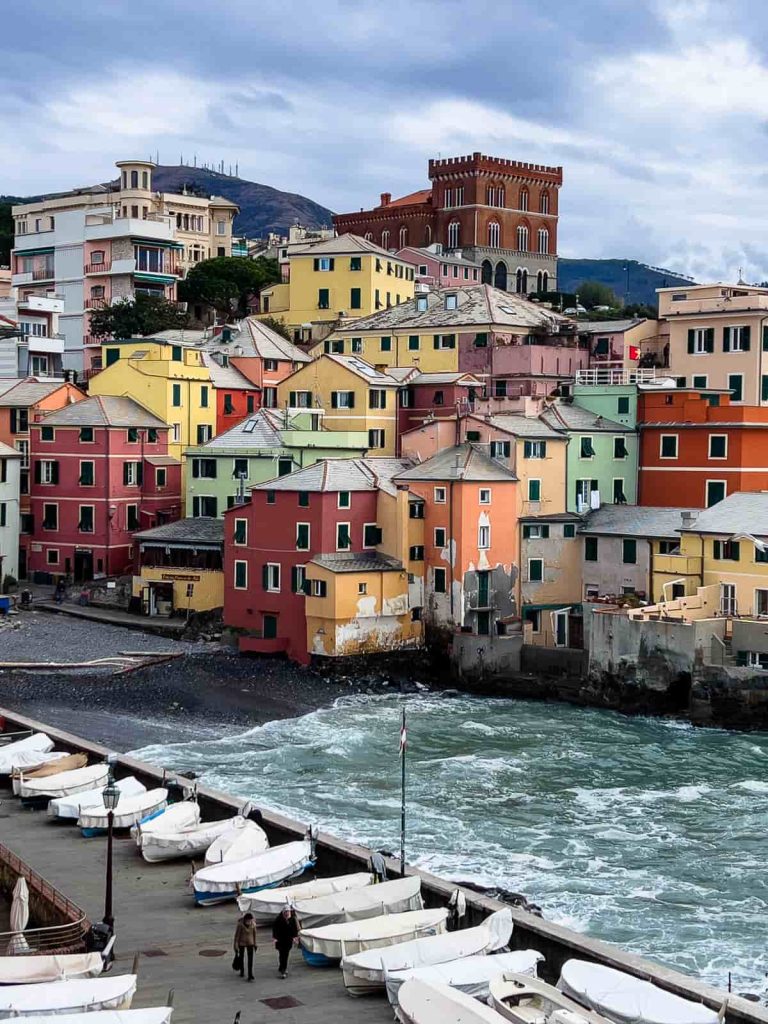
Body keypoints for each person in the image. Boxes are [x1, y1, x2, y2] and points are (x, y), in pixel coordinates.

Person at [272, 906, 298, 979]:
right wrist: (275, 937)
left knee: (286, 955)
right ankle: (283, 969)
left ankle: (283, 968)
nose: (287, 913)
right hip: (280, 940)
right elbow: (275, 929)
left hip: (288, 940)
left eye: (288, 912)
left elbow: (294, 929)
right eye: (286, 912)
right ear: (283, 912)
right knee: (281, 954)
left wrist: (295, 937)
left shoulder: (292, 919)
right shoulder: (278, 919)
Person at [233, 912, 257, 981]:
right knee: (241, 957)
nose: (249, 922)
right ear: (245, 920)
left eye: (250, 920)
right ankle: (242, 971)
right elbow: (237, 936)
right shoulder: (240, 925)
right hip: (241, 943)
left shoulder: (253, 925)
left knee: (250, 960)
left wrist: (255, 944)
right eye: (248, 921)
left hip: (250, 943)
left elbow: (255, 935)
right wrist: (235, 945)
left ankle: (250, 974)